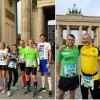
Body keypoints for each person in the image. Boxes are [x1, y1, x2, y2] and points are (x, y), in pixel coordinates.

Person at [56, 34, 80, 99]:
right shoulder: (63, 50)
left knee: (72, 93)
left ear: (74, 41)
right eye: (69, 39)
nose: (70, 41)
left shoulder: (77, 49)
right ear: (66, 40)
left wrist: (93, 45)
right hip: (64, 76)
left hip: (74, 76)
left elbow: (86, 45)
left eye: (72, 40)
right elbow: (58, 63)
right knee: (61, 94)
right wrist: (58, 76)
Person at [80, 33, 100, 99]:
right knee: (84, 96)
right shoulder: (80, 47)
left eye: (87, 38)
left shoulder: (97, 49)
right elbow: (70, 45)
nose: (85, 40)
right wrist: (63, 46)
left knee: (96, 96)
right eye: (84, 39)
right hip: (83, 77)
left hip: (94, 78)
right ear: (82, 40)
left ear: (91, 39)